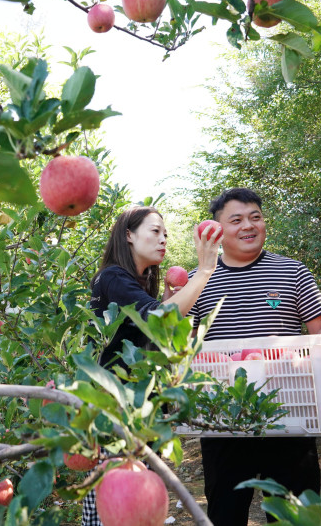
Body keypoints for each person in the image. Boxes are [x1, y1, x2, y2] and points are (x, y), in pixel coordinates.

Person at [188, 187, 321, 526]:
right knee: (225, 515)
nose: (249, 225)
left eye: (255, 217)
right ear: (215, 231)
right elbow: (179, 346)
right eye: (236, 220)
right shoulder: (196, 282)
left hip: (291, 417)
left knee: (297, 517)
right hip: (222, 422)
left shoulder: (293, 272)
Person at [82, 205, 222, 526]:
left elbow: (154, 335)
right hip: (114, 414)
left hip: (138, 414)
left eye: (166, 234)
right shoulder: (112, 277)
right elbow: (157, 320)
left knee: (131, 509)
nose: (163, 240)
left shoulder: (139, 284)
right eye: (155, 231)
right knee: (116, 508)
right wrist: (203, 272)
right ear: (128, 235)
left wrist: (170, 300)